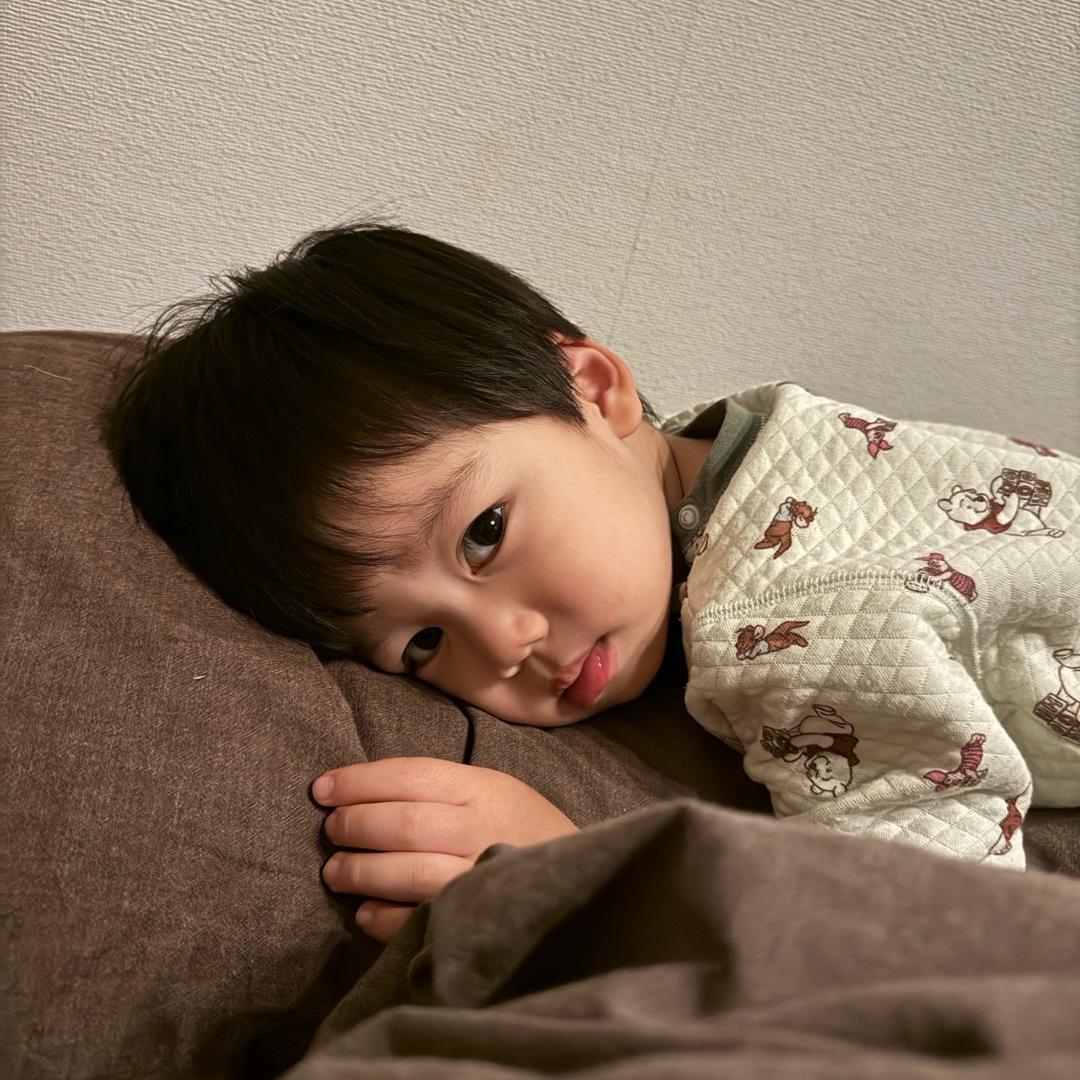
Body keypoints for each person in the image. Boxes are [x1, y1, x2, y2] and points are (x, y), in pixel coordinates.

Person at [105, 220, 1080, 940]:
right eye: (423, 644)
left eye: (484, 533)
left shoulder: (782, 605)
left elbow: (936, 925)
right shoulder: (769, 439)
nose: (506, 645)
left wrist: (588, 881)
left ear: (596, 388)